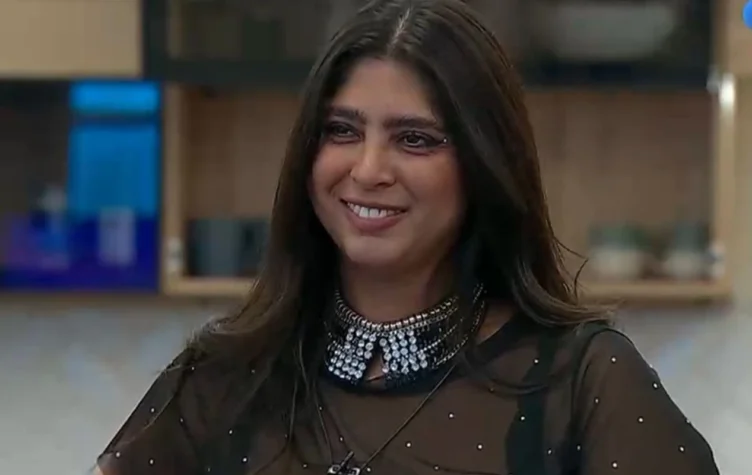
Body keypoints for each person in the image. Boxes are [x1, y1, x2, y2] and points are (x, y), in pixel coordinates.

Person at [96, 0, 720, 474]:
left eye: (415, 139)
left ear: (483, 166)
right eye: (341, 131)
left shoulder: (583, 382)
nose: (368, 170)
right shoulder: (221, 378)